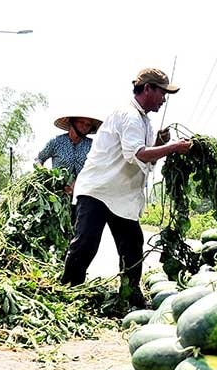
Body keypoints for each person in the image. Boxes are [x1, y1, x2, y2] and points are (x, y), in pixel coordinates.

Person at [61, 68, 193, 309]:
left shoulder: (144, 121)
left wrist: (159, 144)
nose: (164, 99)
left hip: (120, 196)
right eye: (162, 92)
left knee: (132, 246)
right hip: (97, 191)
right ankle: (68, 293)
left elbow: (146, 156)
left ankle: (132, 298)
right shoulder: (129, 115)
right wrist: (172, 147)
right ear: (147, 89)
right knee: (85, 244)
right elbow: (137, 154)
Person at [35, 115, 103, 196]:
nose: (84, 126)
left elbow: (97, 168)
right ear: (72, 122)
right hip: (57, 192)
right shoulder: (56, 142)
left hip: (84, 193)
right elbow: (39, 159)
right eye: (81, 122)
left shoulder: (93, 146)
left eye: (88, 125)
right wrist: (45, 174)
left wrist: (77, 183)